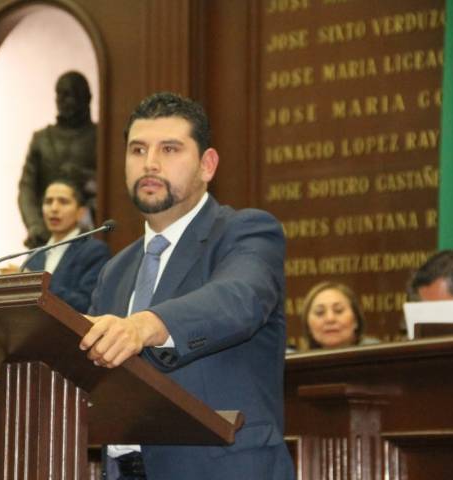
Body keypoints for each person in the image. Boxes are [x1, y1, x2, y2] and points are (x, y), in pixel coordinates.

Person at [80, 92, 294, 479]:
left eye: (170, 149)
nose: (150, 163)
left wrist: (144, 325)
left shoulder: (245, 232)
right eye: (138, 150)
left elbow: (239, 299)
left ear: (207, 165)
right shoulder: (115, 270)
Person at [18, 71, 97, 248]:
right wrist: (35, 224)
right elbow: (27, 189)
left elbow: (110, 187)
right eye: (60, 94)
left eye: (70, 95)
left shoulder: (99, 137)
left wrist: (84, 177)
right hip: (45, 236)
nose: (63, 101)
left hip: (89, 235)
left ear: (86, 98)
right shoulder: (42, 139)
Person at [23, 179, 110, 313]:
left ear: (80, 212)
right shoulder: (34, 255)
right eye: (48, 202)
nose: (54, 208)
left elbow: (88, 304)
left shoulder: (94, 251)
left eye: (63, 202)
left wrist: (37, 282)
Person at [301, 281, 375, 349]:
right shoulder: (299, 358)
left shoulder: (376, 351)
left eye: (338, 310)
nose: (330, 319)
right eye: (320, 312)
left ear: (356, 320)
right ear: (308, 325)